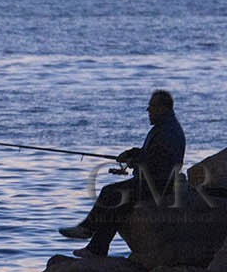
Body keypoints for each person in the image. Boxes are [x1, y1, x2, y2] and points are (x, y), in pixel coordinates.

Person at [60, 89, 185, 258]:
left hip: (158, 184)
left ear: (163, 108)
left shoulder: (168, 131)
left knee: (111, 193)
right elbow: (151, 154)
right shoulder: (165, 127)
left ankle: (88, 231)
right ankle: (96, 247)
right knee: (116, 204)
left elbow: (157, 161)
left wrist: (135, 161)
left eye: (152, 107)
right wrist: (130, 153)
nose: (148, 111)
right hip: (155, 181)